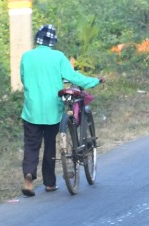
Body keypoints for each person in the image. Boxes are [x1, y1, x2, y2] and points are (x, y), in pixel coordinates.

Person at [19, 24, 101, 196]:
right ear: (52, 41)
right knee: (50, 145)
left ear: (38, 39)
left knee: (31, 145)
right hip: (52, 110)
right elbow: (73, 77)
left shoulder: (26, 57)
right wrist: (95, 80)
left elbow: (24, 79)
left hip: (31, 109)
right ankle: (49, 183)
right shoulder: (58, 57)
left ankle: (28, 177)